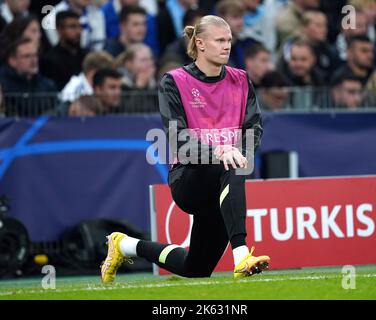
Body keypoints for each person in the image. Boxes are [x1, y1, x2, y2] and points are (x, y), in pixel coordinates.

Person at [101, 15, 270, 283]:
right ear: (200, 44)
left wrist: (238, 152)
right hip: (189, 179)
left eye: (229, 40)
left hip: (224, 184)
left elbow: (254, 127)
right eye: (220, 40)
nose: (227, 46)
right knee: (233, 163)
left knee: (197, 268)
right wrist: (220, 152)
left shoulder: (241, 79)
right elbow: (179, 140)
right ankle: (241, 256)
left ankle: (125, 246)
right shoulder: (174, 81)